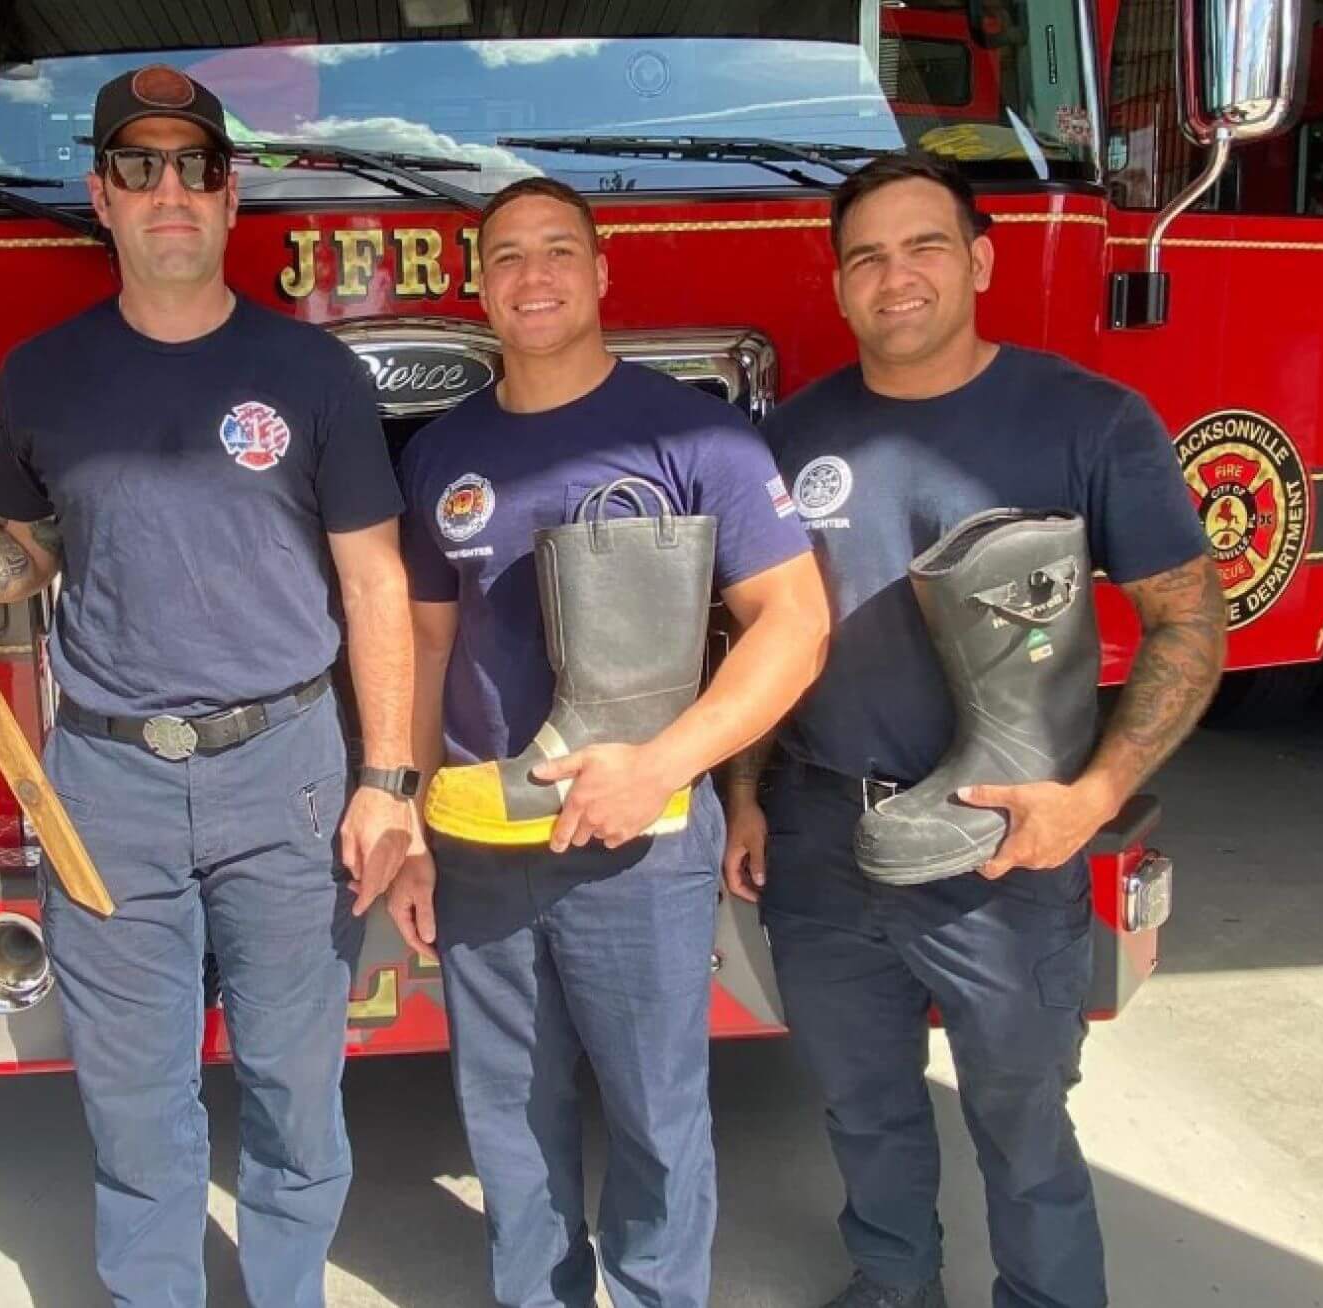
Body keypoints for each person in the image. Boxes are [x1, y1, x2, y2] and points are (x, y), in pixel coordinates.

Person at [0, 65, 421, 1308]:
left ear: (228, 193)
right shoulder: (45, 378)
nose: (170, 189)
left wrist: (386, 783)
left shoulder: (313, 377)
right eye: (140, 167)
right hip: (105, 785)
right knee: (134, 1098)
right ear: (99, 196)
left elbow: (375, 589)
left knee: (293, 1086)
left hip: (289, 780)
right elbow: (21, 553)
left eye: (195, 166)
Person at [726, 154, 1225, 1308]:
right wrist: (748, 792)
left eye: (925, 247)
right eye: (867, 258)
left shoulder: (1089, 421)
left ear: (980, 262)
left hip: (1004, 841)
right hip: (818, 833)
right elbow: (766, 635)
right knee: (862, 1105)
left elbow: (1187, 624)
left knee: (1021, 1122)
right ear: (841, 285)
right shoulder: (790, 434)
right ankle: (892, 1288)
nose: (895, 278)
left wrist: (1094, 797)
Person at [389, 176, 831, 1307]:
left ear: (600, 273)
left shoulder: (695, 433)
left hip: (641, 842)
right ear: (477, 287)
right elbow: (429, 651)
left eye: (557, 252)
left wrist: (665, 766)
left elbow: (794, 622)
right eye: (507, 258)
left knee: (654, 1123)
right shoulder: (442, 455)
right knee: (510, 1124)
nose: (532, 277)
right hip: (485, 845)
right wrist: (410, 817)